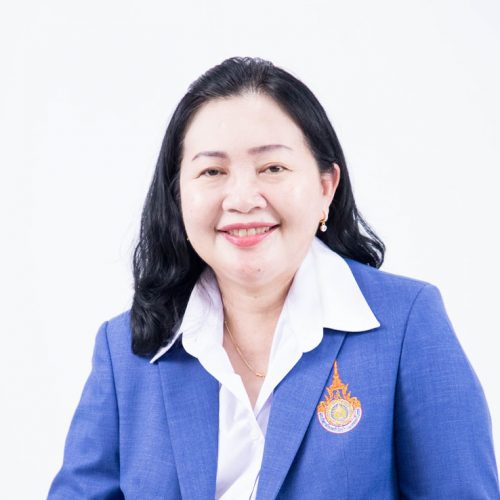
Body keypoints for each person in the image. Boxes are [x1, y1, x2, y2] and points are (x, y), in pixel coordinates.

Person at [48, 56, 500, 499]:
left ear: (326, 187)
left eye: (273, 168)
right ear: (178, 194)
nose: (242, 199)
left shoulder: (407, 324)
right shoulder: (125, 350)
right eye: (212, 171)